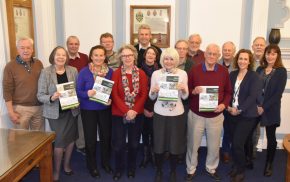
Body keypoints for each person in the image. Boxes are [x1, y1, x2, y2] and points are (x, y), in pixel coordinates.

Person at [186, 44, 232, 181]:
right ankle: (191, 169)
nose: (212, 56)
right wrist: (194, 91)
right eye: (209, 53)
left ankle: (211, 168)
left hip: (216, 116)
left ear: (218, 56)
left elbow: (228, 92)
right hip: (196, 115)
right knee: (193, 145)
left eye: (215, 54)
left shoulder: (224, 71)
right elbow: (187, 91)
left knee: (213, 145)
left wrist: (224, 105)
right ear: (204, 54)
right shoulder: (195, 70)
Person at [37, 46, 79, 181]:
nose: (61, 57)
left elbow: (77, 90)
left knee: (71, 139)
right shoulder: (46, 72)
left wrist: (77, 99)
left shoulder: (73, 70)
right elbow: (40, 95)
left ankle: (66, 166)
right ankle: (55, 170)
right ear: (53, 57)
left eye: (63, 55)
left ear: (66, 57)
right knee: (60, 142)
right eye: (58, 55)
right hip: (55, 113)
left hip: (71, 111)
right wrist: (51, 97)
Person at [149, 48, 188, 182]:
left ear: (176, 60)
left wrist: (183, 89)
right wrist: (154, 91)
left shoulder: (182, 74)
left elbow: (185, 96)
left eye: (171, 59)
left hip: (177, 114)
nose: (169, 61)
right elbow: (151, 96)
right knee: (159, 144)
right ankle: (159, 171)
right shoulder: (156, 74)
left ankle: (172, 171)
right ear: (162, 60)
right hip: (160, 113)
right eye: (166, 58)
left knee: (175, 145)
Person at [111, 44, 148, 180]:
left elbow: (144, 94)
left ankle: (131, 168)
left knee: (133, 143)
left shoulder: (141, 73)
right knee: (118, 144)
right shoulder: (115, 73)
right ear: (121, 57)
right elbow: (114, 94)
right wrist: (127, 111)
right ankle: (118, 169)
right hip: (119, 113)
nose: (127, 58)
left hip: (137, 114)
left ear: (134, 57)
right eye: (124, 55)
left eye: (130, 55)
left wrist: (134, 111)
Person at [76, 45, 114, 178]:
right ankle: (92, 166)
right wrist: (87, 93)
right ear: (91, 57)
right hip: (88, 110)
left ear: (105, 57)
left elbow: (112, 90)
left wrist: (111, 99)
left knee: (106, 138)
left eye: (101, 55)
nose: (98, 58)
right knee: (90, 140)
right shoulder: (84, 72)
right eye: (95, 55)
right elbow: (78, 91)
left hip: (104, 109)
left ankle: (105, 163)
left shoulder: (110, 72)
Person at [227, 49, 262, 182]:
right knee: (233, 142)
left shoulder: (254, 77)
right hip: (232, 113)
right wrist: (229, 107)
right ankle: (236, 166)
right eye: (240, 58)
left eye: (245, 59)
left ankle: (241, 171)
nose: (242, 61)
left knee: (238, 143)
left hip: (247, 115)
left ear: (249, 61)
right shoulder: (232, 74)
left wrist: (239, 109)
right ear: (237, 60)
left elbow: (252, 97)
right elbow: (229, 92)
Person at [256, 44, 287, 177]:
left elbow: (277, 94)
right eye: (268, 53)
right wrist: (257, 105)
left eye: (273, 54)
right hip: (256, 107)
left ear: (278, 55)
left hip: (271, 109)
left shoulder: (281, 71)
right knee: (248, 133)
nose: (270, 56)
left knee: (271, 137)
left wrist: (264, 107)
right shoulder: (259, 69)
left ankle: (269, 163)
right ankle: (247, 158)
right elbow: (254, 88)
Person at [3, 37, 44, 130]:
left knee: (39, 139)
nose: (26, 50)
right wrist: (11, 112)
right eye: (22, 48)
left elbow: (44, 83)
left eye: (28, 47)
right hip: (20, 109)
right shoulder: (10, 66)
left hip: (39, 108)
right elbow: (7, 91)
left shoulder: (38, 63)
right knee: (22, 140)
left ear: (32, 49)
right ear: (17, 49)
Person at [67, 35, 89, 155]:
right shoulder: (63, 57)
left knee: (81, 121)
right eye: (71, 44)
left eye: (76, 44)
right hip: (68, 94)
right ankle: (67, 145)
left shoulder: (85, 57)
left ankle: (81, 145)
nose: (74, 46)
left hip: (82, 94)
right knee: (69, 121)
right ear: (67, 45)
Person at [139, 46, 161, 168]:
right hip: (142, 107)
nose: (151, 55)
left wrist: (153, 109)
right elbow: (137, 92)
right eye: (148, 53)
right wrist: (143, 109)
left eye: (153, 54)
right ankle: (145, 156)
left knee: (154, 133)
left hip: (157, 108)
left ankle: (153, 156)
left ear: (156, 57)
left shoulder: (161, 71)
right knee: (144, 132)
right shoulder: (138, 70)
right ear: (145, 55)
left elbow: (162, 92)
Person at [218, 41, 236, 163]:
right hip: (217, 102)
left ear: (233, 51)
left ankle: (225, 151)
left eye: (229, 50)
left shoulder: (239, 64)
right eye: (225, 49)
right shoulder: (216, 63)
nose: (227, 52)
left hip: (231, 102)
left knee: (229, 128)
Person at [250, 36, 267, 160]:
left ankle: (253, 150)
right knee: (245, 127)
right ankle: (245, 150)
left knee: (256, 128)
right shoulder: (247, 60)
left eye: (261, 45)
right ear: (252, 47)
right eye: (257, 45)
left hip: (260, 102)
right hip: (247, 100)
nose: (259, 47)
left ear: (265, 47)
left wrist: (261, 104)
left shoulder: (268, 63)